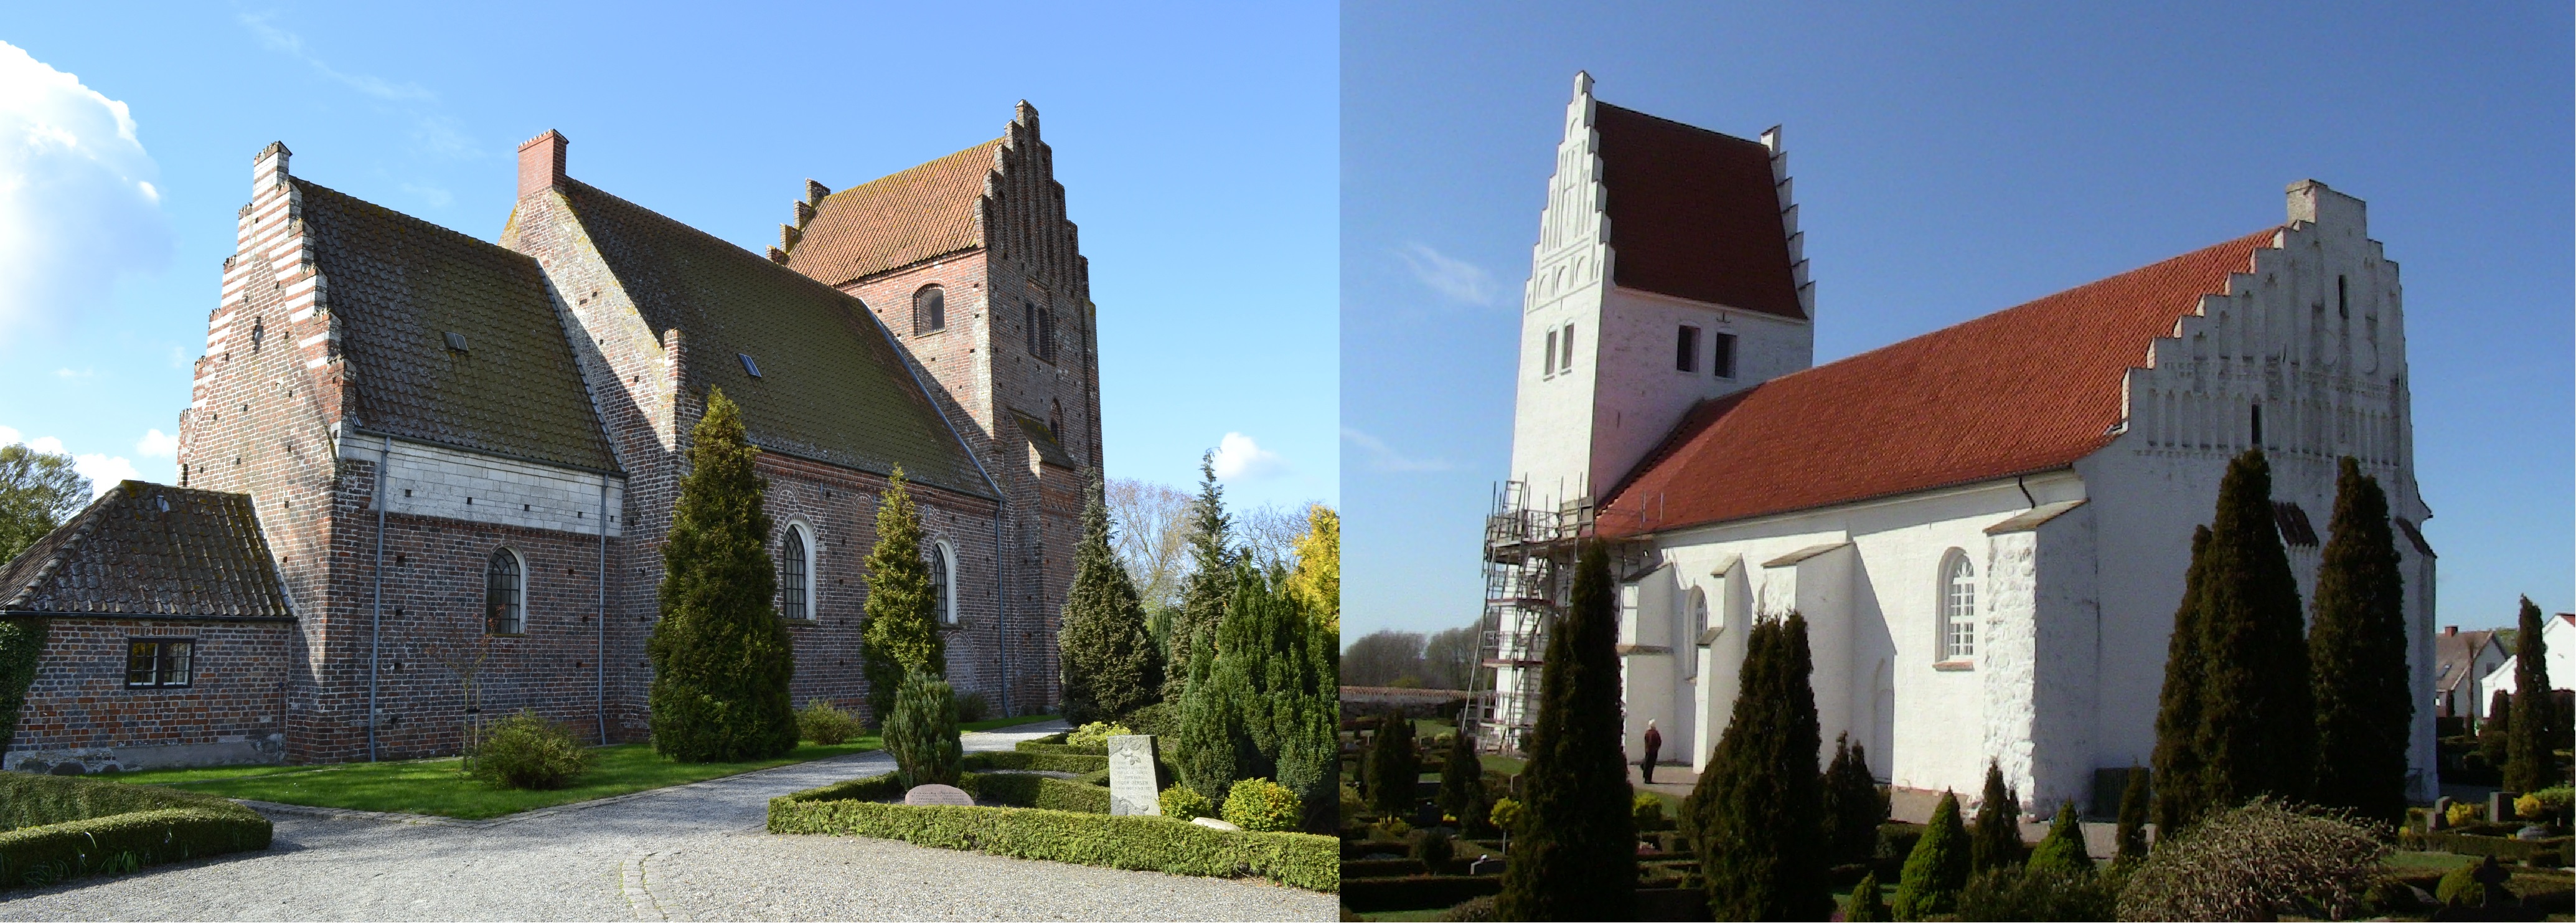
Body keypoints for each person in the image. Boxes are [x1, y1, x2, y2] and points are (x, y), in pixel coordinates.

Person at [1641, 719, 1663, 783]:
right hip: (1654, 751)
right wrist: (1657, 748)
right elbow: (1659, 742)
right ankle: (1649, 779)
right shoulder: (1655, 733)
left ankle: (1645, 777)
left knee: (1647, 764)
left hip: (1648, 750)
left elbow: (1646, 740)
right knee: (1651, 765)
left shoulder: (1647, 733)